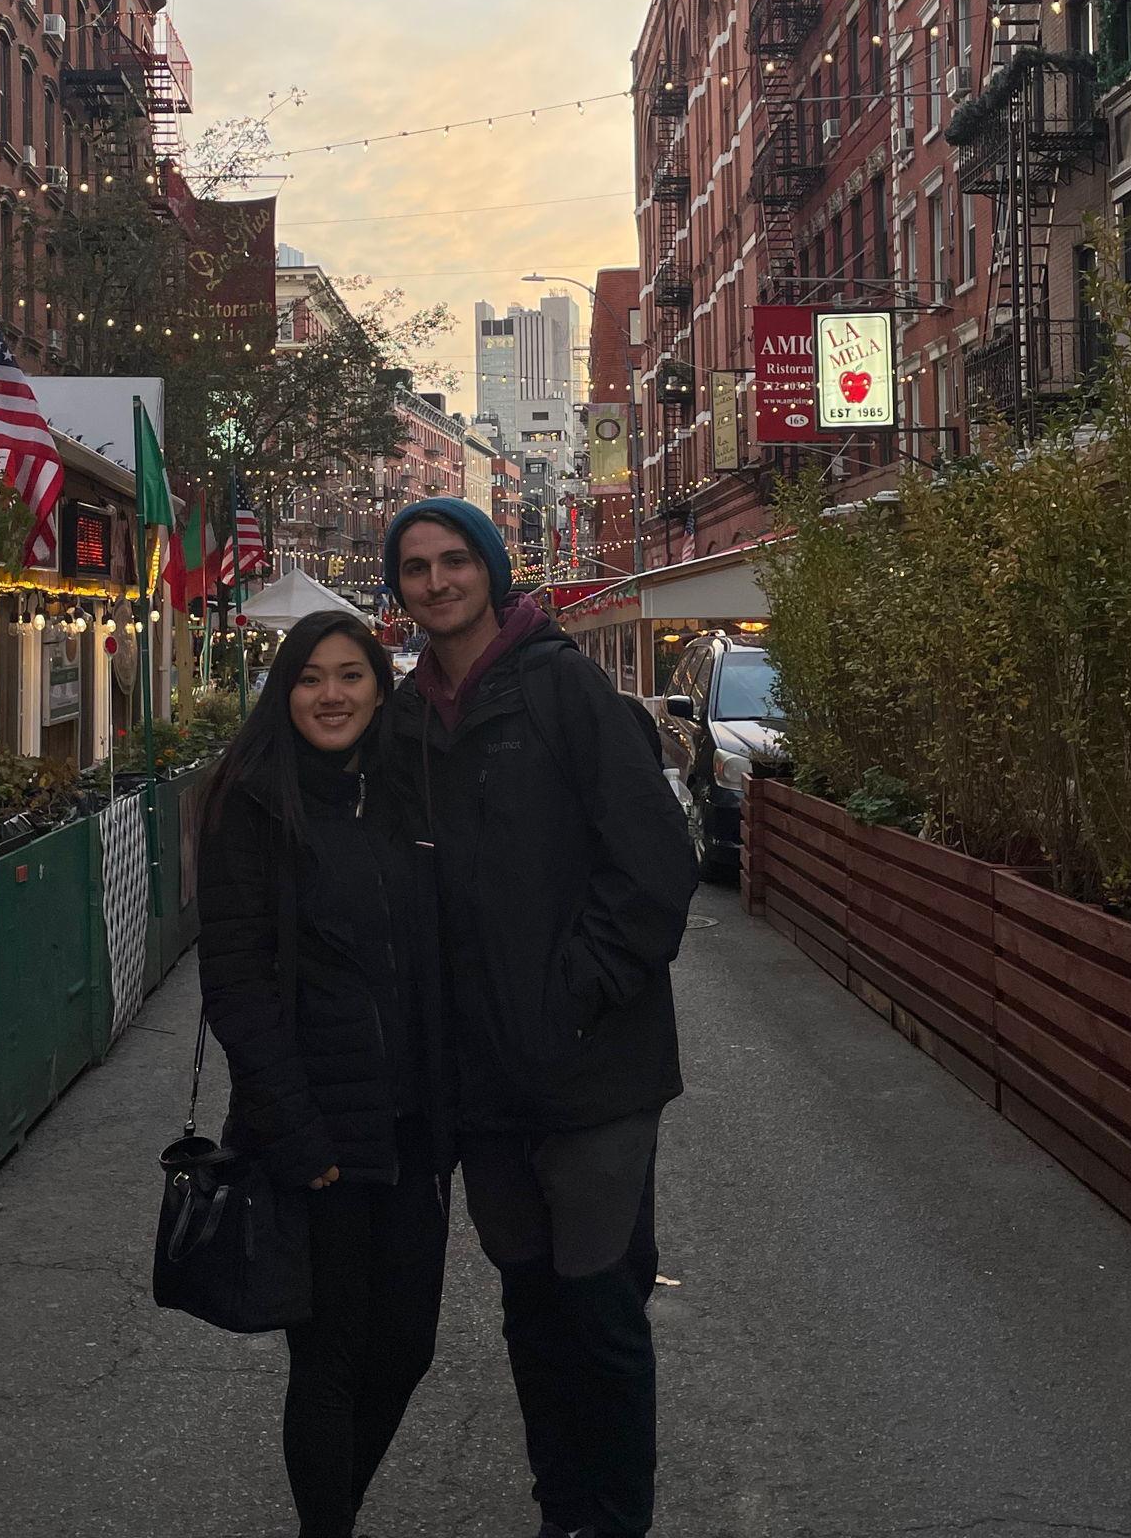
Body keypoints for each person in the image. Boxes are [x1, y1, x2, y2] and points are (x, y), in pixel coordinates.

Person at [379, 498, 696, 1538]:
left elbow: (654, 862)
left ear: (492, 568)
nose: (435, 581)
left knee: (599, 1310)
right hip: (484, 1083)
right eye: (416, 566)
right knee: (528, 1308)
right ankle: (562, 1506)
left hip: (590, 1070)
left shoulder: (565, 689)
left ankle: (611, 1520)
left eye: (453, 559)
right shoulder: (408, 717)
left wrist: (575, 989)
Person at [197, 609, 450, 1538]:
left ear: (381, 690)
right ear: (284, 690)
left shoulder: (399, 793)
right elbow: (236, 986)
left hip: (413, 1125)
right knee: (333, 1356)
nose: (332, 695)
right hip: (317, 1135)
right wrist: (297, 1135)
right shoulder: (251, 800)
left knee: (409, 1348)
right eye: (311, 677)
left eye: (351, 676)